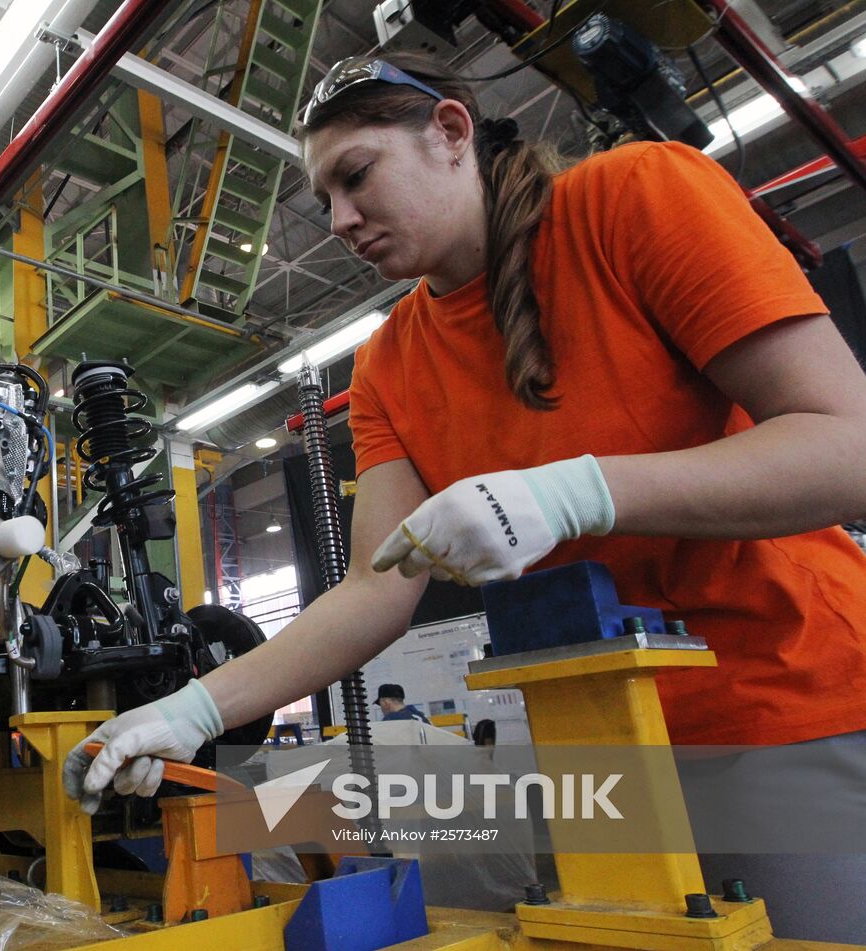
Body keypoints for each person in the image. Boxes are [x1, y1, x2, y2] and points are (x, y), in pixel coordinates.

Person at [62, 52, 866, 940]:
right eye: (323, 197)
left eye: (356, 176)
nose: (337, 219)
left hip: (788, 705)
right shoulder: (388, 365)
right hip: (595, 750)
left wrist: (577, 492)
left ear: (451, 132)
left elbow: (847, 445)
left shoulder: (637, 197)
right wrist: (194, 709)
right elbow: (376, 587)